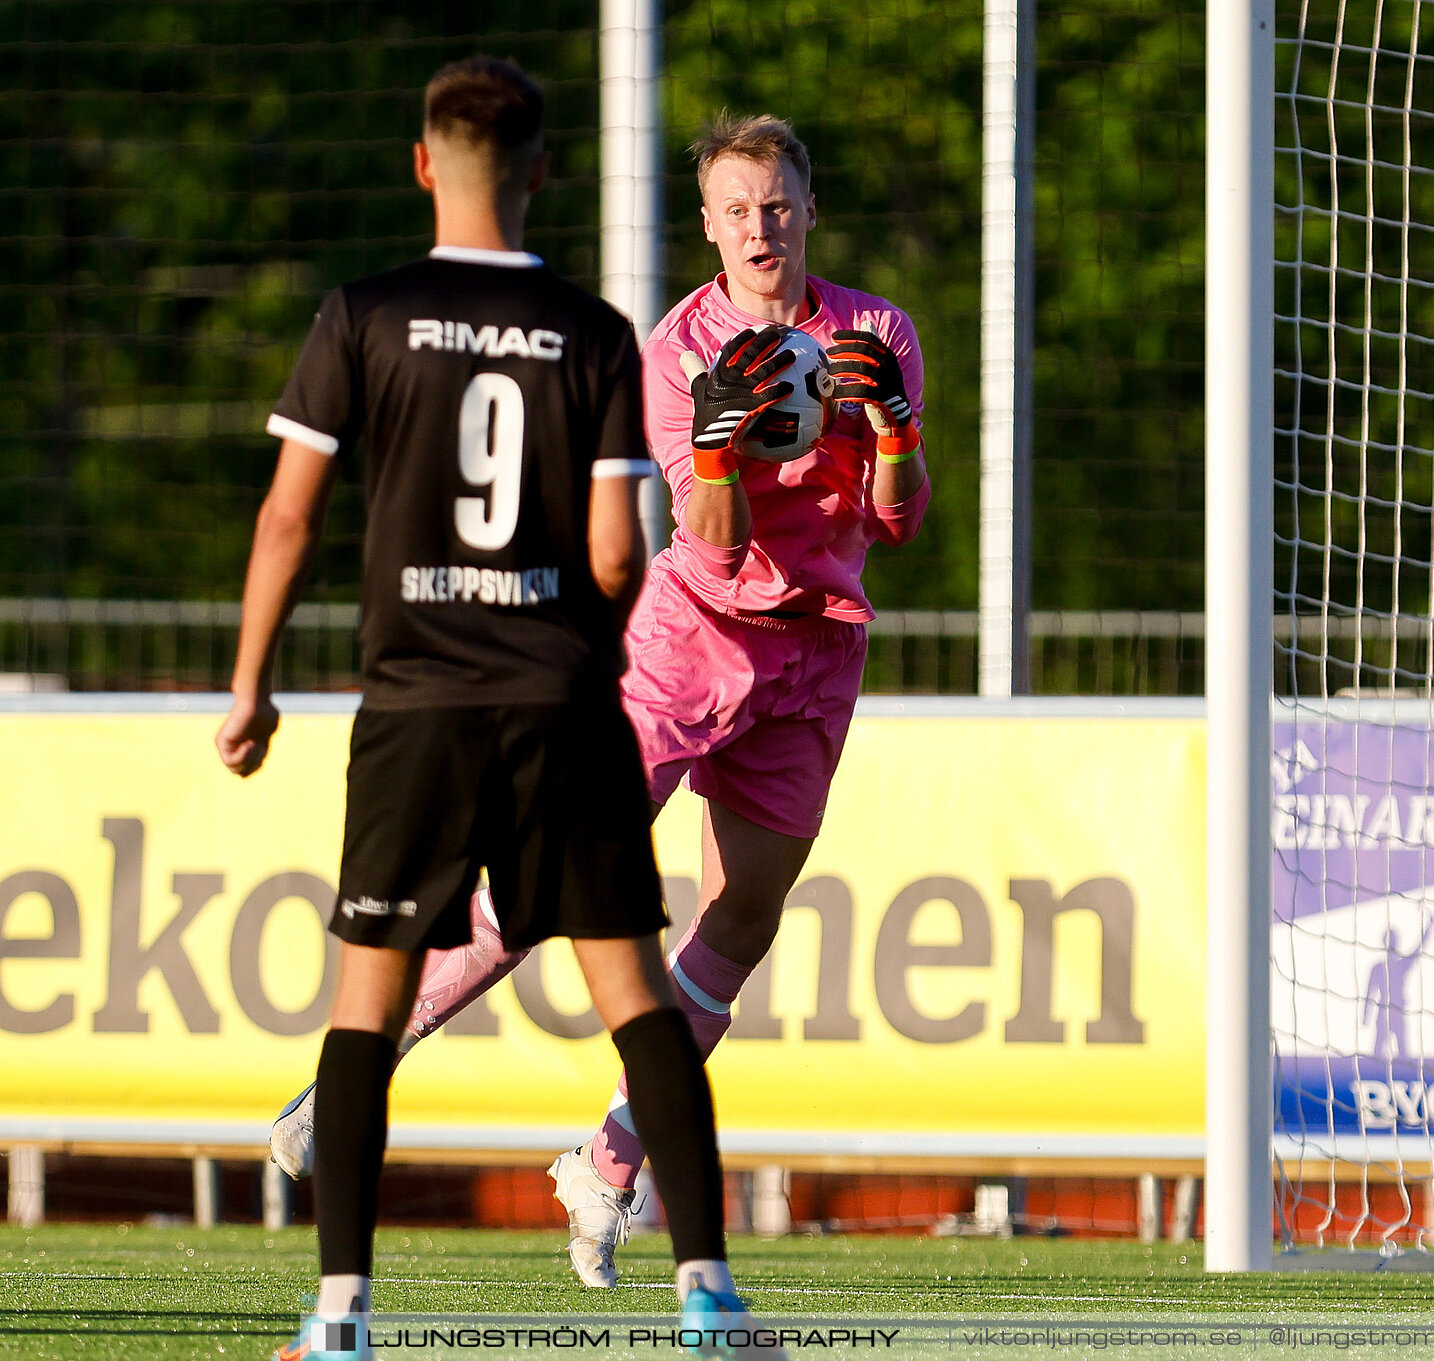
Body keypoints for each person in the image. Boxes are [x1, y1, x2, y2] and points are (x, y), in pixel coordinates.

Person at [267, 110, 931, 1290]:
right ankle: (350, 1075)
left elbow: (899, 519)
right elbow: (711, 542)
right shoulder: (677, 350)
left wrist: (891, 426)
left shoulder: (876, 331)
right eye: (738, 209)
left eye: (779, 204)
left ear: (810, 210)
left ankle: (608, 1160)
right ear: (710, 224)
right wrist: (723, 449)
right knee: (542, 882)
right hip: (692, 635)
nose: (761, 226)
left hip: (818, 652)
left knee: (748, 912)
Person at [221, 58, 762, 1360]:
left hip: (416, 706)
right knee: (639, 1001)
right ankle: (708, 1298)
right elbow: (624, 555)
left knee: (364, 1010)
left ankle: (341, 1311)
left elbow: (290, 512)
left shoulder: (364, 314)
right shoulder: (590, 335)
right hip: (560, 700)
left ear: (424, 165)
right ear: (541, 174)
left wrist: (250, 684)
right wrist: (581, 646)